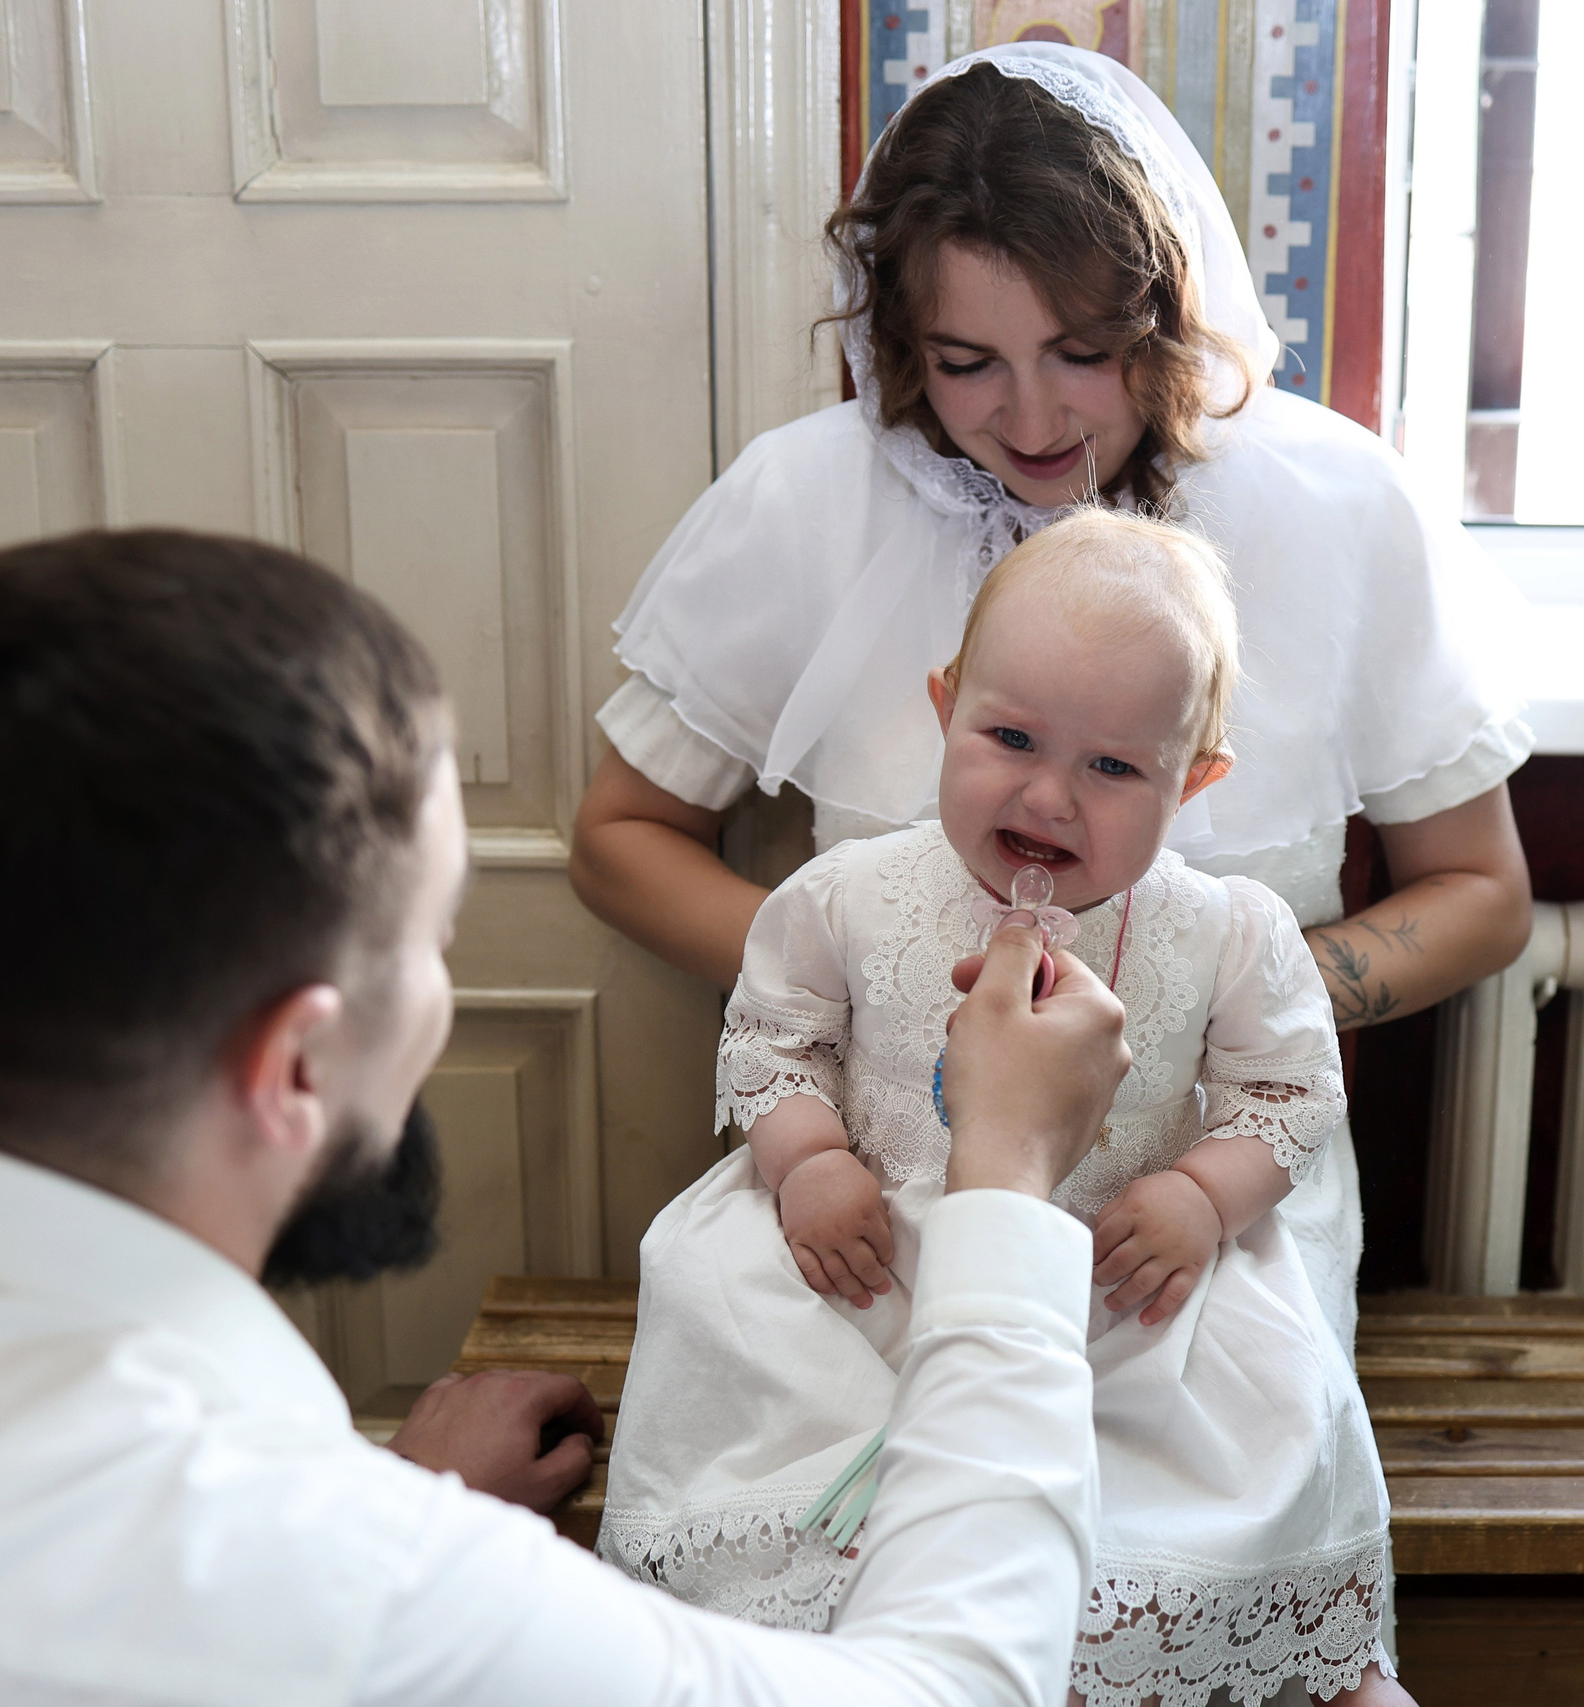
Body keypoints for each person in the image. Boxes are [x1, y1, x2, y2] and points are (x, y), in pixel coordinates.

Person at [0, 529, 1137, 1707]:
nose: (442, 999)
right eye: (429, 944)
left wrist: (392, 1488)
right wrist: (1006, 1171)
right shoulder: (369, 1597)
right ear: (295, 1064)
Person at [572, 42, 1535, 1354]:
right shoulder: (804, 502)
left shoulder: (1343, 504)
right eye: (967, 361)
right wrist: (858, 979)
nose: (1031, 417)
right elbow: (619, 841)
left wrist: (1219, 1000)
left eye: (1082, 351)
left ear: (1163, 310)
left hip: (1201, 1222)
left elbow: (1482, 894)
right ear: (901, 340)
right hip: (874, 1202)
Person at [599, 511, 1409, 1707]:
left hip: (1118, 1283)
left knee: (1251, 1436)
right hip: (869, 1263)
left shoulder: (1225, 933)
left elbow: (1286, 1094)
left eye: (1113, 767)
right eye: (1011, 737)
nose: (1048, 795)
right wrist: (809, 1156)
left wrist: (1199, 1191)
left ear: (1193, 781)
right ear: (945, 705)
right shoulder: (850, 899)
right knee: (757, 1355)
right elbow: (775, 1039)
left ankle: (1282, 1653)